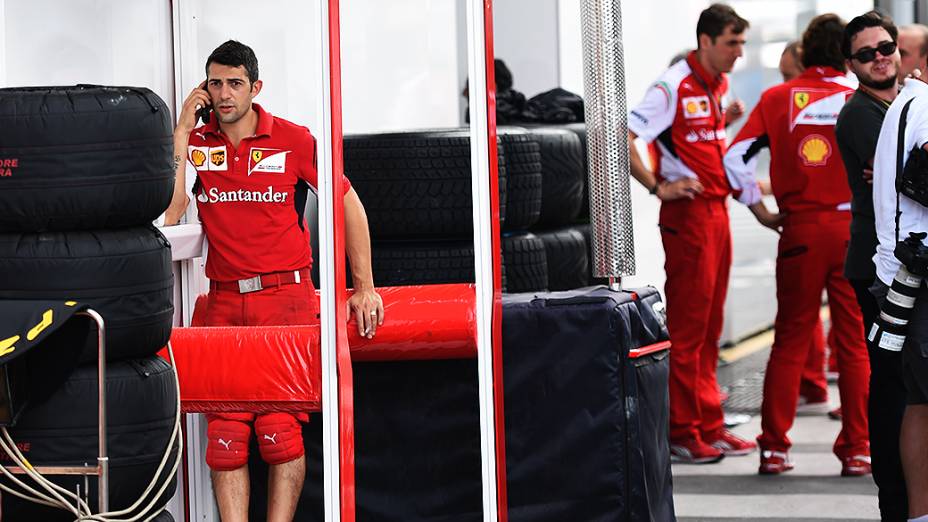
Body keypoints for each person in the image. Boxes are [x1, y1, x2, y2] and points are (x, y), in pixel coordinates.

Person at [164, 40, 384, 521]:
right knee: (224, 436)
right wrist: (182, 134)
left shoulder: (293, 139)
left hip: (284, 297)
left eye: (235, 84)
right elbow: (173, 211)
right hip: (222, 301)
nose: (224, 95)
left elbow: (347, 203)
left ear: (255, 87)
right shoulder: (200, 147)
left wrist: (364, 285)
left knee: (280, 431)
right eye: (215, 84)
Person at [724, 14, 871, 476]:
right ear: (846, 54)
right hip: (854, 232)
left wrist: (760, 210)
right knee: (854, 346)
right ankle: (858, 449)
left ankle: (774, 449)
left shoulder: (777, 98)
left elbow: (733, 158)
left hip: (800, 231)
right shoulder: (862, 98)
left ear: (804, 53)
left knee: (789, 340)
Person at [627, 3, 755, 464]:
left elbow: (696, 138)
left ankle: (710, 424)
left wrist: (726, 121)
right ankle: (682, 430)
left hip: (716, 212)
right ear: (706, 41)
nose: (739, 53)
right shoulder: (671, 85)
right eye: (731, 43)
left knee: (711, 326)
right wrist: (660, 186)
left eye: (741, 43)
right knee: (689, 327)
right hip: (688, 218)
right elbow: (625, 138)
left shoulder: (716, 83)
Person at [836, 11, 909, 519]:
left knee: (907, 385)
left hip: (900, 266)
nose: (879, 57)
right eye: (867, 53)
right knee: (891, 386)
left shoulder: (903, 104)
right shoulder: (859, 114)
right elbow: (910, 169)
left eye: (885, 47)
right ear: (851, 64)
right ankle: (895, 497)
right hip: (877, 271)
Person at [872, 47, 928, 522]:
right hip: (918, 276)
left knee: (920, 402)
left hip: (904, 273)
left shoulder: (908, 103)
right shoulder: (925, 110)